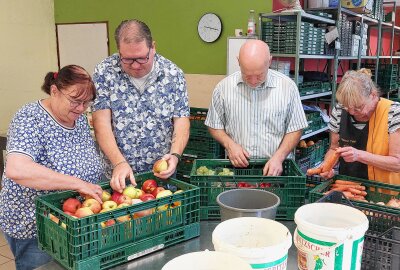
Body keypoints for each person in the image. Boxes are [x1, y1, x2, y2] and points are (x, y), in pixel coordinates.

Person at [0, 65, 104, 270]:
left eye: (86, 102)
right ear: (54, 91)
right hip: (37, 227)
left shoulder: (78, 117)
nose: (81, 108)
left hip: (71, 220)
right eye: (75, 101)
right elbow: (17, 169)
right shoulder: (30, 118)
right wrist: (78, 183)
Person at [92, 19, 190, 193]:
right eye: (128, 60)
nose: (136, 65)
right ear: (118, 51)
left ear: (153, 47)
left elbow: (181, 121)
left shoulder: (173, 75)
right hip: (118, 177)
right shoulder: (104, 72)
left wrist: (175, 156)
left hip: (160, 178)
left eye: (142, 58)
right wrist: (119, 162)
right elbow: (101, 124)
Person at [205, 40, 308, 176]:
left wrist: (279, 157)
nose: (253, 81)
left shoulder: (287, 87)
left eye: (259, 75)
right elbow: (214, 124)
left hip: (277, 170)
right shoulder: (223, 89)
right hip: (237, 171)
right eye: (247, 75)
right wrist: (230, 145)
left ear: (269, 61)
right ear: (238, 62)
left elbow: (296, 128)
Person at [322, 69, 400, 184]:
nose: (352, 112)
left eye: (359, 107)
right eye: (347, 107)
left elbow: (397, 163)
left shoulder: (393, 112)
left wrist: (359, 155)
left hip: (385, 191)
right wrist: (328, 167)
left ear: (373, 95)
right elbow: (334, 148)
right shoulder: (339, 110)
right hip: (349, 186)